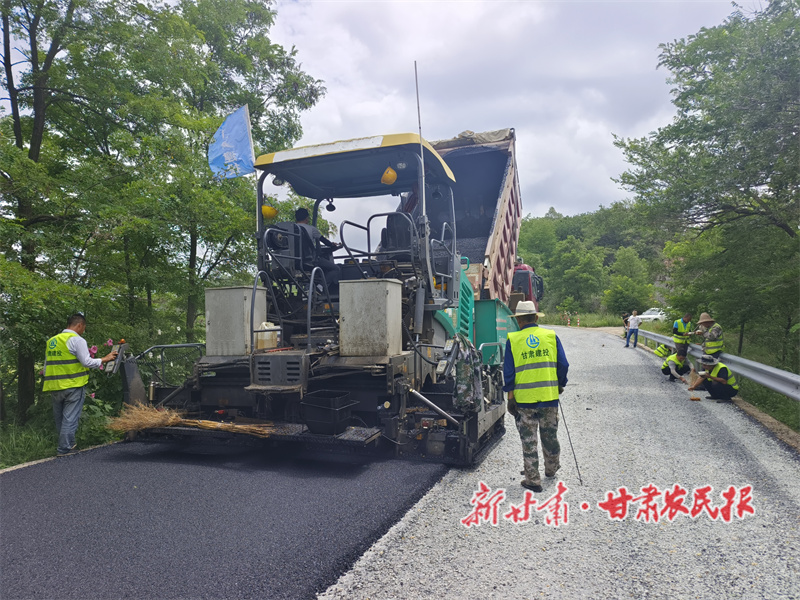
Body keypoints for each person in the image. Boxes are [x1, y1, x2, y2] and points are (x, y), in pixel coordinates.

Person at [503, 301, 569, 493]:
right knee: (550, 434)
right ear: (535, 318)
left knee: (528, 438)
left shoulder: (514, 339)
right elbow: (563, 364)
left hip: (524, 400)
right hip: (549, 397)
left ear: (520, 320)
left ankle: (533, 479)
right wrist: (560, 384)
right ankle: (551, 468)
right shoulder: (550, 336)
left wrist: (510, 398)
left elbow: (509, 374)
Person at [43, 314, 118, 456]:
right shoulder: (77, 340)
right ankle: (65, 449)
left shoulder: (52, 341)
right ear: (79, 325)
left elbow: (47, 366)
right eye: (83, 327)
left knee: (60, 419)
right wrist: (105, 359)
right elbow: (86, 362)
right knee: (70, 418)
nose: (83, 330)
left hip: (54, 386)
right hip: (73, 385)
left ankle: (67, 445)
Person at [295, 207, 340, 290]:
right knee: (335, 268)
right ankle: (320, 287)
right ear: (307, 218)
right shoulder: (311, 229)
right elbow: (325, 241)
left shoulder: (290, 229)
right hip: (309, 260)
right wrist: (332, 245)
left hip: (294, 261)